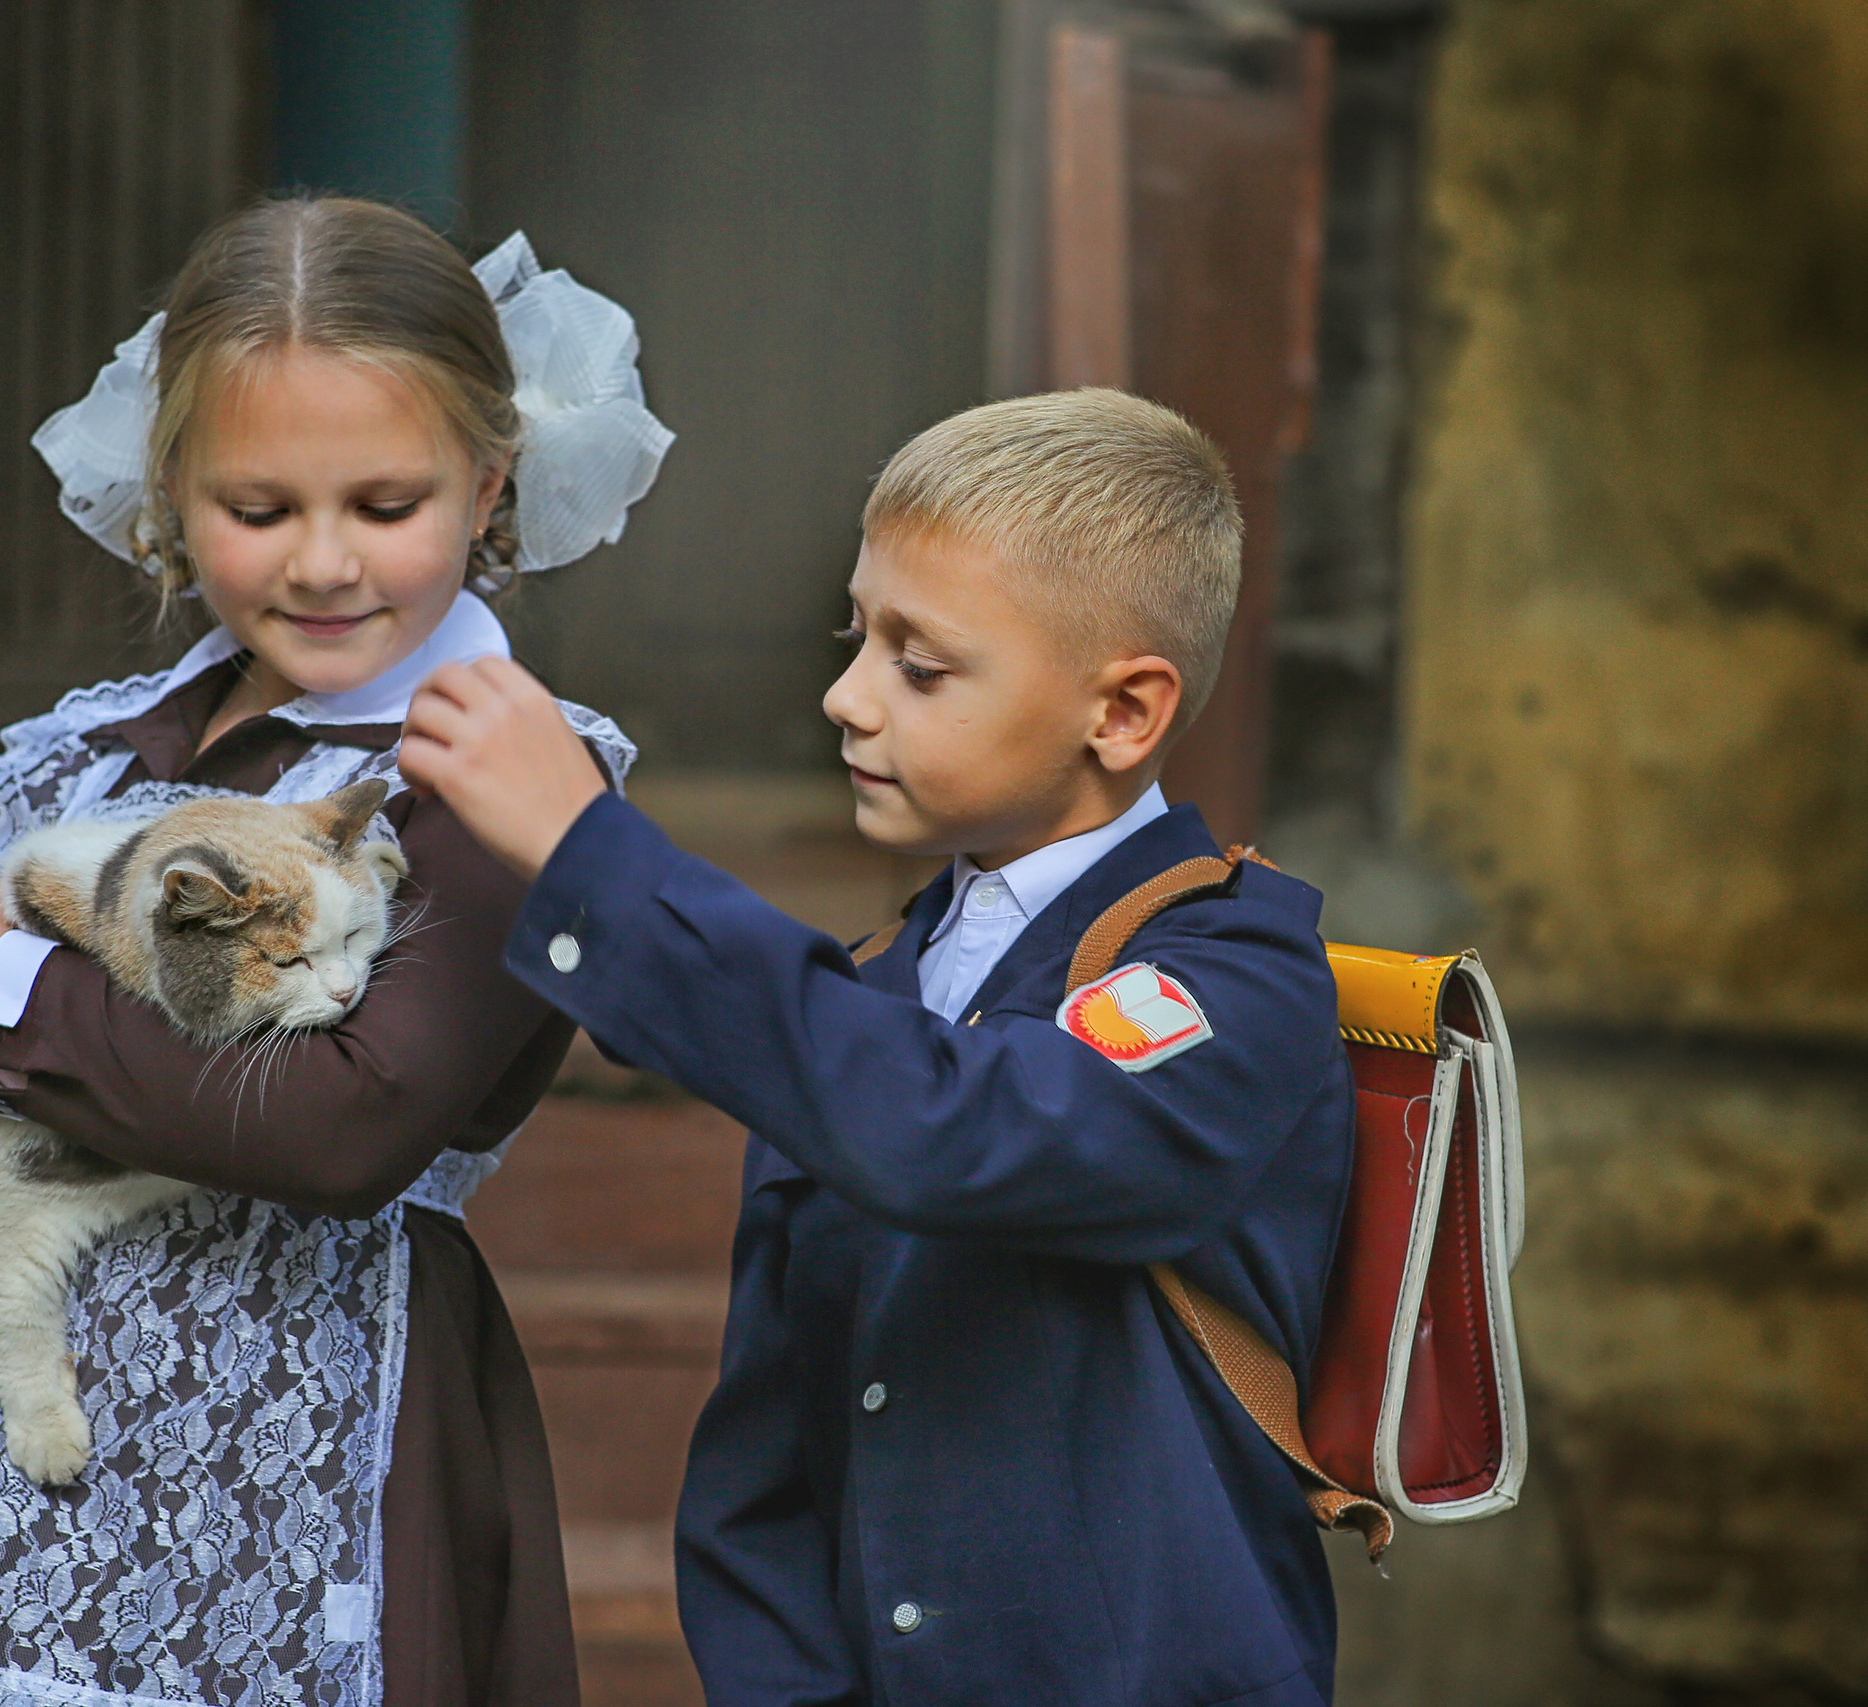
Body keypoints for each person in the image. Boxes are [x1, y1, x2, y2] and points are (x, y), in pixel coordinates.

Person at [0, 197, 670, 1707]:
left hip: (288, 1480)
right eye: (261, 507)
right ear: (169, 498)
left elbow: (350, 1118)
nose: (326, 562)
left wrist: (5, 986)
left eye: (386, 501)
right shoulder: (84, 761)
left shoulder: (492, 778)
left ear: (489, 486)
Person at [400, 389, 1356, 1706]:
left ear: (1125, 714)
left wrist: (600, 867)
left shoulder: (1234, 973)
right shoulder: (874, 987)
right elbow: (766, 1458)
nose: (845, 698)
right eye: (855, 638)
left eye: (920, 664)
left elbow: (958, 1130)